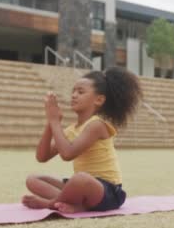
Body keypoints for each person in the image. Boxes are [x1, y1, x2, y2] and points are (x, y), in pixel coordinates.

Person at [22, 67, 141, 213]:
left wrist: (55, 122)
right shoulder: (72, 129)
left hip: (108, 192)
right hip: (81, 187)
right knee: (33, 179)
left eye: (80, 92)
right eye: (73, 91)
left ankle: (50, 204)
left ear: (99, 100)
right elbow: (42, 156)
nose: (74, 95)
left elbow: (67, 154)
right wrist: (51, 122)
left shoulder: (96, 124)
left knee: (80, 179)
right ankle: (78, 205)